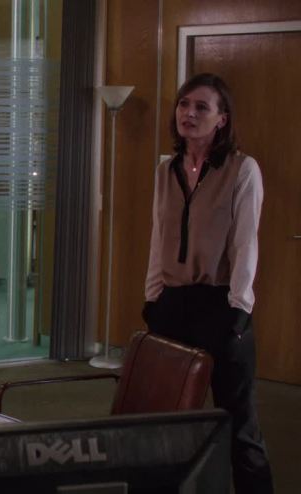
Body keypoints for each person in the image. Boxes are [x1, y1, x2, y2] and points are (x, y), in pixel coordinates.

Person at [142, 72, 273, 493]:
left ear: (222, 119)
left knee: (238, 425)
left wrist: (240, 308)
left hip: (221, 305)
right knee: (164, 419)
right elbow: (159, 235)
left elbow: (245, 242)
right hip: (172, 303)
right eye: (184, 104)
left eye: (202, 107)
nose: (189, 113)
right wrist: (152, 296)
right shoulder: (166, 169)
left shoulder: (242, 169)